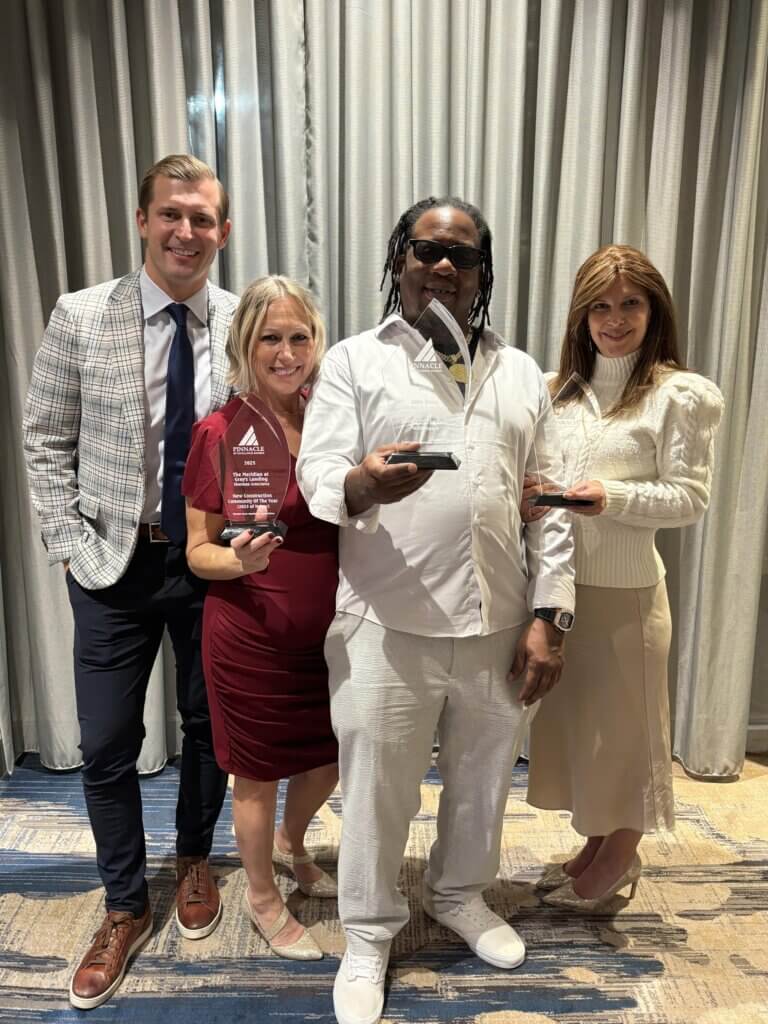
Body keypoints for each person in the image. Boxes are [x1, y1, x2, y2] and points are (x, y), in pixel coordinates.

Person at [297, 196, 576, 1024]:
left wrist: (551, 615)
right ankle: (368, 933)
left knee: (483, 779)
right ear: (400, 261)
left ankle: (458, 893)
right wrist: (361, 484)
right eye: (426, 250)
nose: (444, 266)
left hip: (500, 621)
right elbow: (318, 474)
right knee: (377, 790)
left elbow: (551, 503)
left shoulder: (519, 371)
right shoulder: (354, 362)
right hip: (386, 621)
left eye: (464, 255)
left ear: (483, 273)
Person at [23, 154, 237, 1009]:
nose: (186, 232)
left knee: (209, 724)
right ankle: (124, 903)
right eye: (171, 214)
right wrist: (69, 544)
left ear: (222, 232)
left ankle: (195, 858)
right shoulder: (81, 315)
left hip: (210, 562)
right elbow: (46, 439)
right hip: (112, 561)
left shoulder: (244, 320)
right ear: (143, 220)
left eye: (202, 218)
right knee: (108, 740)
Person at [524, 244, 724, 910]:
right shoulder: (558, 391)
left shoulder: (679, 395)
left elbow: (690, 498)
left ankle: (619, 856)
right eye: (600, 307)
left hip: (629, 597)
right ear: (581, 317)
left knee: (628, 736)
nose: (615, 320)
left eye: (630, 304)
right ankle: (595, 846)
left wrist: (611, 497)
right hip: (563, 592)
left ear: (654, 310)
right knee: (589, 735)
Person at [182, 276, 339, 961]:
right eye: (270, 338)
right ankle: (263, 897)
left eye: (299, 337)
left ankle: (291, 841)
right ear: (245, 345)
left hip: (332, 636)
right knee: (256, 777)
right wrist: (238, 561)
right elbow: (196, 552)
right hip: (250, 636)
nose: (286, 352)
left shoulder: (334, 420)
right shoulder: (219, 432)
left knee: (330, 758)